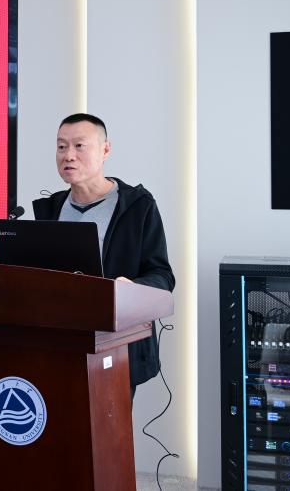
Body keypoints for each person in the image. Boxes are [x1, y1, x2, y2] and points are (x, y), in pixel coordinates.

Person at [32, 113, 175, 397]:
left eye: (79, 146)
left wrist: (131, 289)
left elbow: (162, 276)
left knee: (105, 424)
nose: (68, 155)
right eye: (61, 147)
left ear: (105, 150)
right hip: (56, 343)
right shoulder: (50, 209)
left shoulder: (137, 206)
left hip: (114, 346)